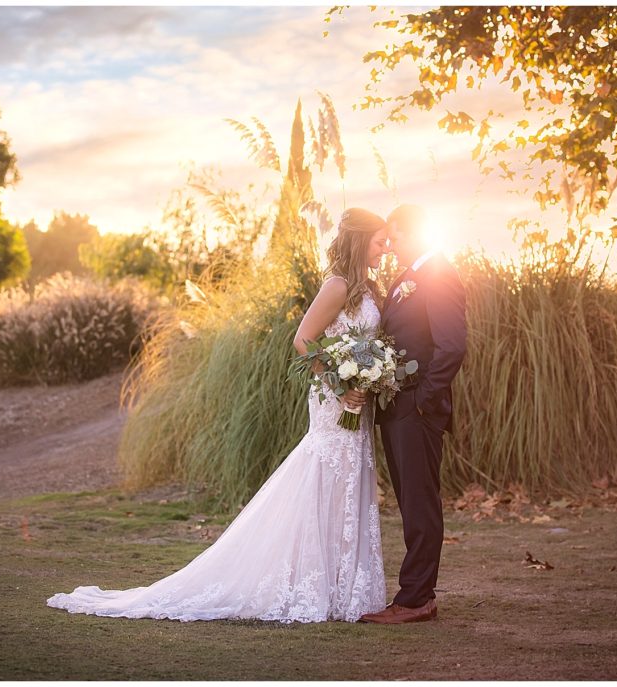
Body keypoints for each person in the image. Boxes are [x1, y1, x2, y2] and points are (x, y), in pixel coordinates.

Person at [45, 208, 390, 623]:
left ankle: (343, 588)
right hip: (335, 400)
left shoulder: (371, 289)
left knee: (349, 480)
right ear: (359, 239)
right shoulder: (337, 285)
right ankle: (307, 581)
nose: (384, 248)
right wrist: (339, 383)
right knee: (323, 476)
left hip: (359, 402)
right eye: (379, 240)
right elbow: (303, 339)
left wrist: (371, 374)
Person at [358, 204, 467, 624]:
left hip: (418, 410)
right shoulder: (407, 278)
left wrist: (423, 398)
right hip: (398, 409)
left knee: (420, 503)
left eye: (394, 237)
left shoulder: (439, 275)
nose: (389, 246)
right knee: (410, 501)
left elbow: (452, 345)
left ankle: (416, 599)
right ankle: (415, 594)